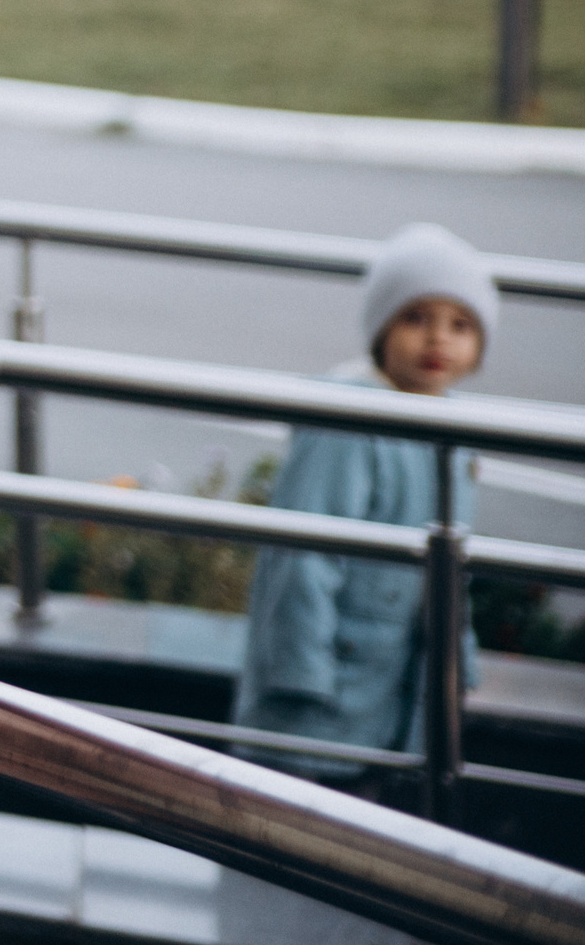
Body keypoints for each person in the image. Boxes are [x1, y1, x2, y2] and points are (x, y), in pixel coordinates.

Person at [233, 222, 496, 790]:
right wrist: (300, 673)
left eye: (460, 324)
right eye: (415, 318)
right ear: (380, 328)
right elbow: (300, 555)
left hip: (388, 700)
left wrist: (459, 667)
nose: (438, 340)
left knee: (361, 810)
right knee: (297, 812)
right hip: (317, 695)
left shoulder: (456, 428)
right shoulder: (348, 419)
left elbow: (452, 573)